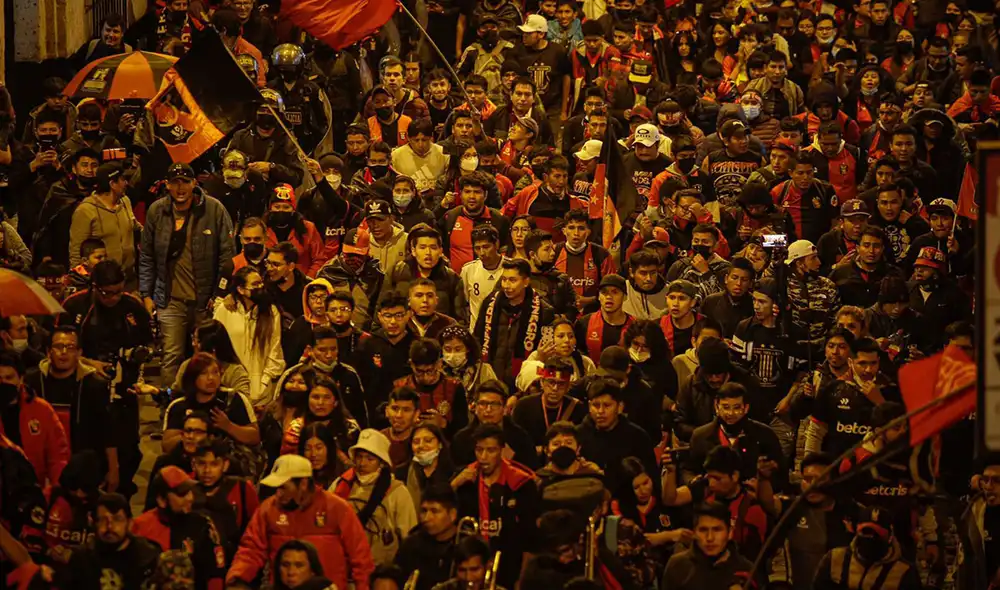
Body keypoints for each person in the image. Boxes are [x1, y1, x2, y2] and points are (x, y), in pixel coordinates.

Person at [139, 162, 235, 390]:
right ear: (167, 185)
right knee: (170, 357)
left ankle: (204, 406)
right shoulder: (156, 211)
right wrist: (146, 294)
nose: (180, 188)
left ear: (194, 183)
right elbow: (146, 256)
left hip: (206, 301)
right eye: (175, 183)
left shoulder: (214, 209)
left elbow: (227, 257)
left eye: (185, 182)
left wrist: (219, 293)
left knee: (207, 356)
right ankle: (170, 408)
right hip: (169, 299)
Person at [227, 454, 376, 590]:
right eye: (276, 488)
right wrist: (237, 579)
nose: (278, 494)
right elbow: (250, 549)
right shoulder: (268, 509)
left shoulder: (337, 508)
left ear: (303, 483)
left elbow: (361, 558)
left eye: (283, 487)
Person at [23, 325, 117, 490]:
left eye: (70, 347)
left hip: (82, 465)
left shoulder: (93, 385)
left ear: (79, 353)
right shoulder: (32, 381)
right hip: (40, 465)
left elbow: (107, 430)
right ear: (48, 351)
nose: (64, 352)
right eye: (58, 346)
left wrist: (113, 468)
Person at [451, 424, 540, 587]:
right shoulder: (464, 479)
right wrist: (454, 485)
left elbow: (530, 539)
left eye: (491, 450)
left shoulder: (521, 483)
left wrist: (522, 580)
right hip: (469, 568)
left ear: (502, 450)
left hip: (509, 566)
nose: (483, 457)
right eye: (479, 450)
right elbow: (444, 514)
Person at [131, 466, 227, 590]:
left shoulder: (203, 525)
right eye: (182, 494)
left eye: (189, 492)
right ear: (162, 500)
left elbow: (216, 574)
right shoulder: (141, 527)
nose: (190, 498)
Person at [330, 429, 418, 564]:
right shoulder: (341, 484)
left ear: (381, 462)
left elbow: (409, 536)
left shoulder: (397, 492)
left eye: (370, 459)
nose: (362, 463)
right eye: (359, 457)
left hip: (380, 570)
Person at [473, 258, 556, 386]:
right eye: (504, 279)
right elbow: (477, 338)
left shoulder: (544, 311)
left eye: (512, 280)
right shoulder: (490, 303)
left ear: (526, 281)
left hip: (525, 380)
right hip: (491, 376)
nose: (506, 285)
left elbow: (546, 351)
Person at [161, 352, 260, 455]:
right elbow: (166, 446)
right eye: (204, 373)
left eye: (215, 372)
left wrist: (229, 426)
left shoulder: (234, 399)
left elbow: (254, 437)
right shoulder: (179, 406)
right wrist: (191, 433)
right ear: (193, 377)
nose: (211, 378)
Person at [213, 265, 285, 407]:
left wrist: (265, 380)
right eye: (255, 284)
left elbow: (275, 349)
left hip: (261, 390)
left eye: (261, 282)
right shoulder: (225, 310)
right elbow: (215, 346)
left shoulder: (271, 312)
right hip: (229, 386)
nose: (261, 286)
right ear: (241, 289)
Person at [56, 492, 159, 589]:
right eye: (103, 520)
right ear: (95, 524)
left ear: (130, 523)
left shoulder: (146, 557)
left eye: (117, 519)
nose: (110, 526)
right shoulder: (82, 558)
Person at [0, 351, 69, 487]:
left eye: (9, 378)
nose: (3, 383)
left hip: (32, 493)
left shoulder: (42, 410)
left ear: (21, 379)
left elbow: (58, 458)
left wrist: (57, 494)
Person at [68, 161, 141, 290]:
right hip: (101, 285)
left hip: (129, 281)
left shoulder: (125, 201)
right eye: (123, 180)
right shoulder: (85, 211)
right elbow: (76, 253)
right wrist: (83, 285)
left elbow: (134, 225)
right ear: (112, 184)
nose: (126, 184)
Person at [577, 377, 657, 496]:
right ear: (589, 406)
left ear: (620, 407)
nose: (600, 411)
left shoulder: (638, 437)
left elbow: (650, 479)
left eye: (607, 405)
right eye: (596, 405)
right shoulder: (578, 435)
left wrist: (602, 473)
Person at [812, 505, 922, 590]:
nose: (871, 538)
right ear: (856, 531)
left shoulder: (904, 572)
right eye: (866, 532)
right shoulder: (835, 559)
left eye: (877, 534)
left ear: (890, 537)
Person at [192, 439, 260, 556]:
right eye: (202, 464)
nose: (207, 471)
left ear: (225, 465)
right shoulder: (186, 491)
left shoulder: (241, 488)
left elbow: (256, 529)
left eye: (214, 464)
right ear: (193, 464)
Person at [392, 338, 469, 437]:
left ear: (439, 363)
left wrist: (443, 423)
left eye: (430, 371)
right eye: (419, 371)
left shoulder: (454, 387)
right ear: (411, 364)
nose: (425, 377)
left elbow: (463, 429)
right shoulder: (399, 387)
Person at [452, 379, 536, 469]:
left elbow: (531, 472)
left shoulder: (520, 438)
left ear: (504, 409)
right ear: (475, 407)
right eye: (483, 404)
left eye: (495, 404)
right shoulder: (461, 439)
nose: (488, 409)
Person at [394, 483, 463, 590]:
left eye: (434, 511)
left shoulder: (466, 544)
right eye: (424, 511)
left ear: (452, 514)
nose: (426, 518)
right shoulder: (411, 545)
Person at [318, 227, 386, 330]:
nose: (353, 259)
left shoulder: (376, 274)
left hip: (366, 333)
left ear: (368, 252)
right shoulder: (328, 272)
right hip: (332, 332)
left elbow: (380, 308)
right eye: (349, 254)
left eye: (358, 255)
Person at [574, 274, 633, 365]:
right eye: (604, 292)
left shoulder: (635, 326)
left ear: (624, 297)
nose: (609, 296)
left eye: (615, 292)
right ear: (598, 297)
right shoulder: (584, 324)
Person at [460, 225, 505, 329]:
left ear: (496, 244)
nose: (482, 253)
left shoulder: (510, 268)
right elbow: (463, 304)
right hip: (476, 333)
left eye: (486, 247)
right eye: (477, 248)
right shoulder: (468, 270)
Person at [700, 257, 755, 338]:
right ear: (726, 279)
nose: (738, 283)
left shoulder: (755, 304)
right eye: (734, 278)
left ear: (750, 283)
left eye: (744, 279)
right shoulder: (710, 302)